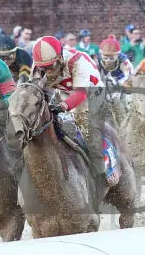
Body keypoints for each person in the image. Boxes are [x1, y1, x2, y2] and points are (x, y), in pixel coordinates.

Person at [31, 35, 108, 180]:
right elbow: (36, 92)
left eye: (50, 66)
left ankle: (101, 167)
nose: (47, 72)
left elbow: (80, 94)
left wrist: (63, 106)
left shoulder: (77, 61)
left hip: (91, 91)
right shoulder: (38, 65)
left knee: (83, 120)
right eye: (43, 68)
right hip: (66, 90)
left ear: (60, 57)